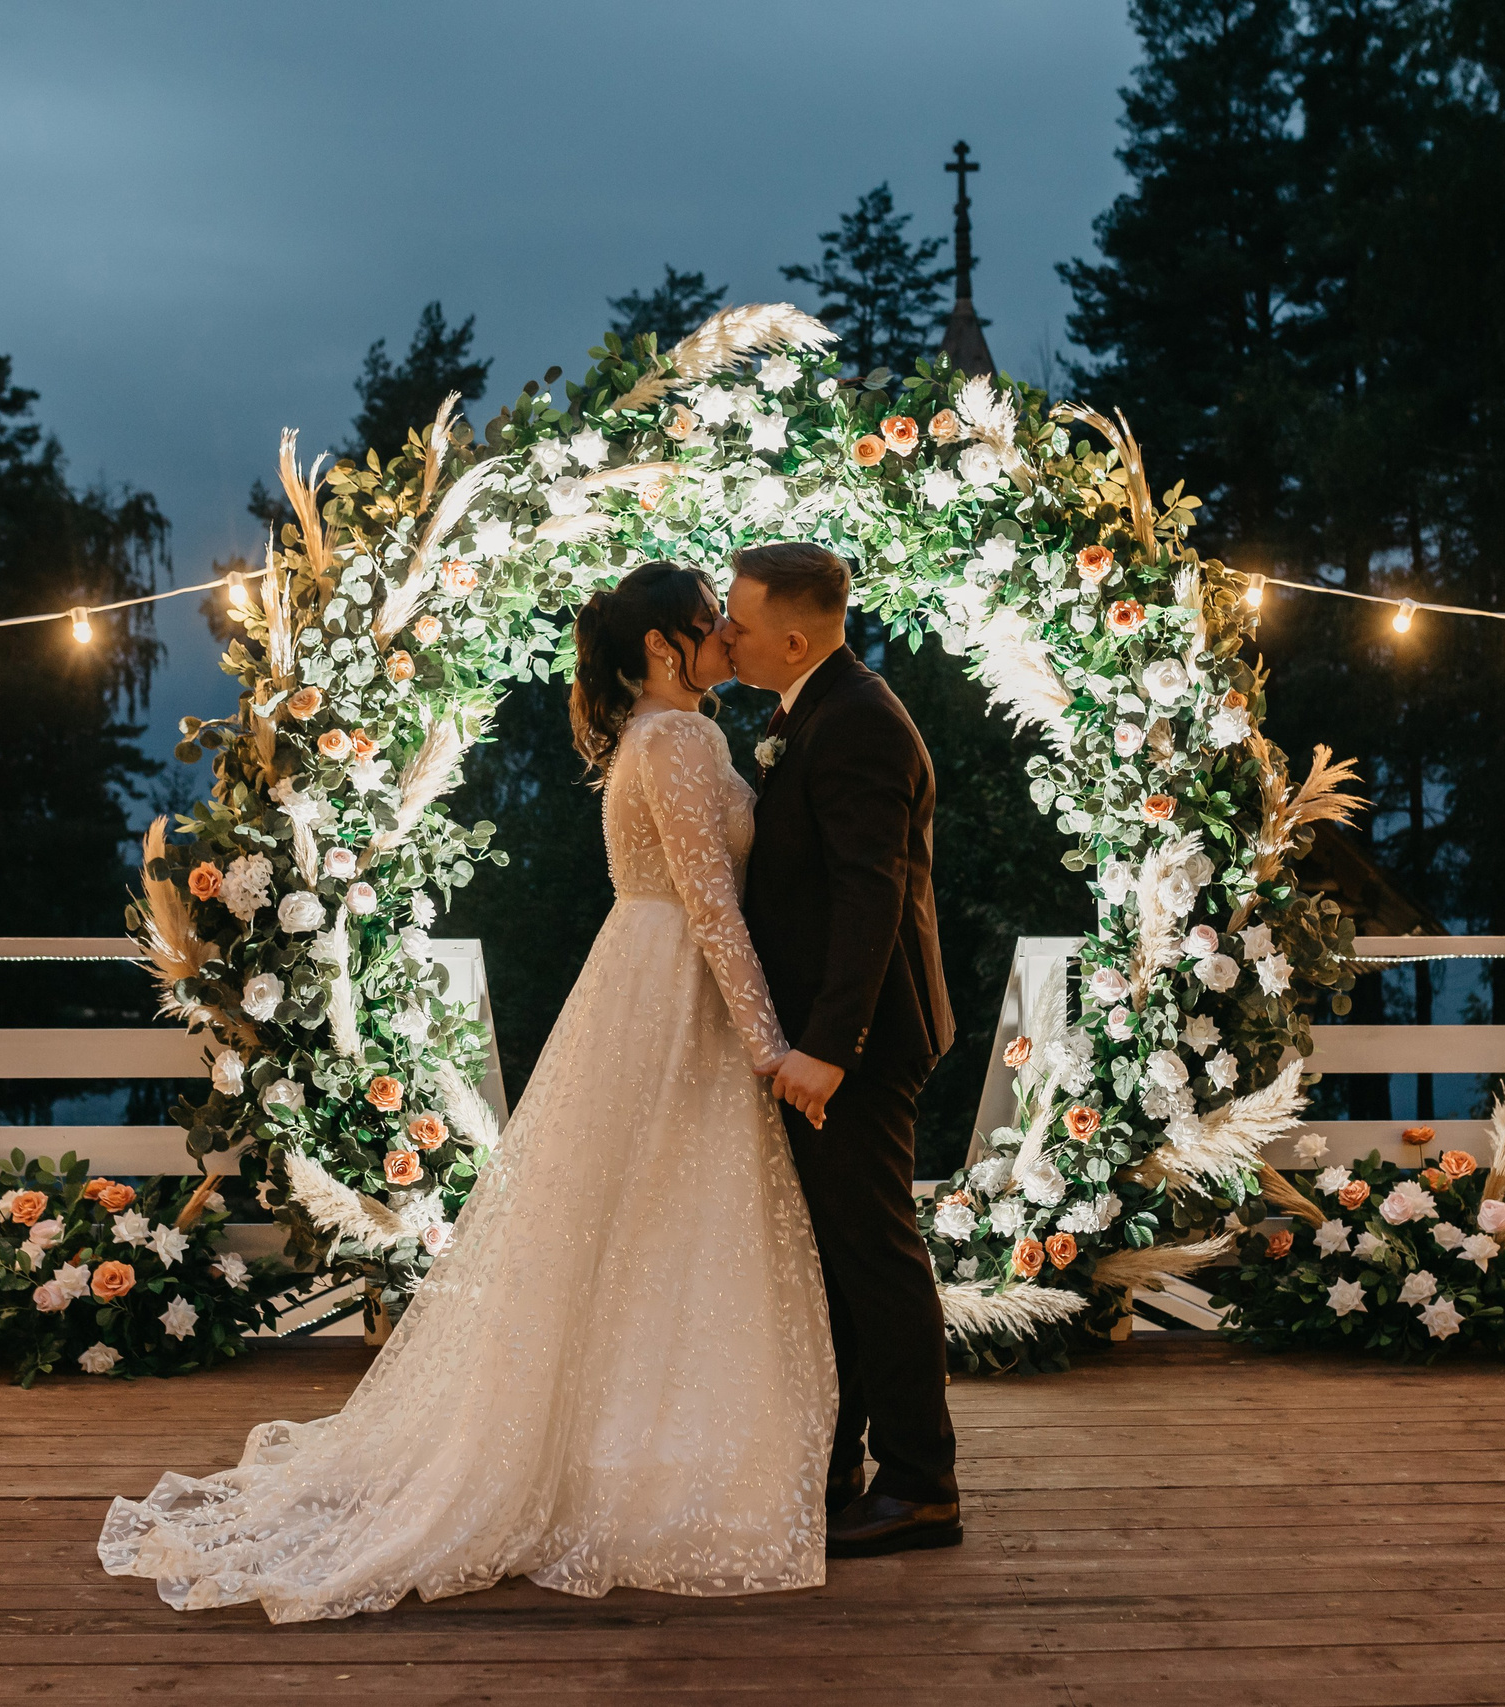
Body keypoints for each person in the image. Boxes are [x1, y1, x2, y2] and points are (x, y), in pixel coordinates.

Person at [99, 561, 836, 1622]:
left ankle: (626, 1441)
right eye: (707, 623)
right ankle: (635, 1457)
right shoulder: (679, 741)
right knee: (670, 1216)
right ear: (668, 648)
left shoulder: (653, 738)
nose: (728, 634)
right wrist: (768, 1045)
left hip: (646, 977)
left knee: (639, 1222)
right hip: (676, 989)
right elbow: (713, 907)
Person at [725, 540, 962, 1557]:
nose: (723, 634)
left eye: (736, 621)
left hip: (860, 1041)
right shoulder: (811, 710)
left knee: (875, 1255)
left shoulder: (858, 722)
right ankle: (843, 1465)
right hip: (835, 1035)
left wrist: (828, 1046)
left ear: (790, 635)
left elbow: (873, 893)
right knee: (840, 1255)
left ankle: (921, 1484)